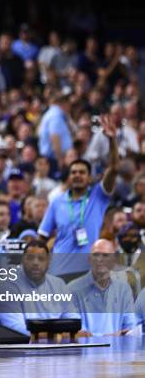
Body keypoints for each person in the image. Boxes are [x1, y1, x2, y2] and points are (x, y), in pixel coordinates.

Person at [38, 115, 119, 278]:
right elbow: (42, 236)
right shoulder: (57, 201)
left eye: (82, 172)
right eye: (73, 172)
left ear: (90, 178)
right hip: (58, 272)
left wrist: (112, 141)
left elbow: (114, 168)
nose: (77, 175)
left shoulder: (98, 196)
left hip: (88, 272)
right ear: (68, 177)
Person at [0, 240, 80, 335]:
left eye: (41, 259)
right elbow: (15, 328)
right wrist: (54, 335)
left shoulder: (59, 284)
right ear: (22, 260)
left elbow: (72, 317)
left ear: (49, 262)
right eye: (30, 258)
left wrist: (74, 331)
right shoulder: (6, 286)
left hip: (58, 345)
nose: (35, 263)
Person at [68, 239, 136, 336]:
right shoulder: (72, 289)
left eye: (105, 255)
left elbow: (130, 327)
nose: (100, 259)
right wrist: (111, 336)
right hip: (86, 349)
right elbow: (77, 332)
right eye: (95, 255)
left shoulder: (124, 289)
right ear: (89, 259)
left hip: (118, 349)